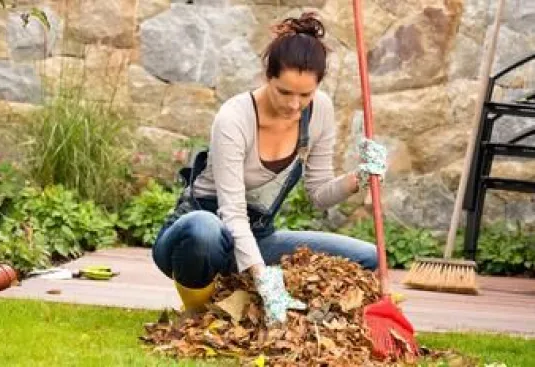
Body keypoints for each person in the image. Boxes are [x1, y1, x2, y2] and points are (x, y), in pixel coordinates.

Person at [152, 12, 387, 327]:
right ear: (267, 76)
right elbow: (232, 214)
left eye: (305, 95)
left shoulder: (320, 112)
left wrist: (360, 177)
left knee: (369, 257)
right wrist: (264, 277)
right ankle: (197, 315)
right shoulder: (234, 118)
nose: (294, 105)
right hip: (199, 237)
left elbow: (319, 194)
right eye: (285, 92)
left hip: (256, 237)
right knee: (203, 230)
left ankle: (254, 304)